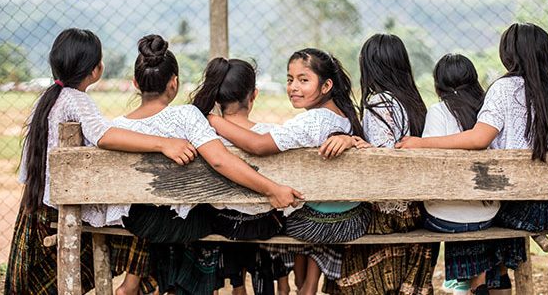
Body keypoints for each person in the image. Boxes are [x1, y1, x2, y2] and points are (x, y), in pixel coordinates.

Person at [80, 34, 303, 294]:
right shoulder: (187, 116)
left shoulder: (117, 127)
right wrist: (271, 189)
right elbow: (220, 161)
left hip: (139, 222)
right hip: (184, 224)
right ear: (174, 83)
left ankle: (140, 283)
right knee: (206, 216)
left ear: (135, 83)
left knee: (181, 222)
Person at [5, 28, 198, 295]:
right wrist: (163, 143)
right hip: (65, 206)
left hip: (41, 204)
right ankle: (134, 284)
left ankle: (131, 284)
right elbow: (103, 136)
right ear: (95, 69)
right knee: (140, 218)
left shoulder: (46, 99)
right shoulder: (77, 100)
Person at [397, 23, 548, 294]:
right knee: (490, 209)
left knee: (485, 206)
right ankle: (496, 282)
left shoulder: (504, 89)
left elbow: (479, 138)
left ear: (508, 55)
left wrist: (421, 143)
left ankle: (478, 285)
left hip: (516, 205)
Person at [208, 48, 370, 295]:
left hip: (318, 225)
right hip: (353, 219)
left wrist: (214, 121)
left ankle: (298, 285)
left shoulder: (312, 121)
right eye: (290, 79)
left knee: (274, 215)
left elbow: (258, 145)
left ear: (326, 86)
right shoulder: (345, 115)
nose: (294, 87)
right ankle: (305, 285)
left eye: (303, 80)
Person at [324, 33, 434, 295]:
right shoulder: (415, 103)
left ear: (369, 65)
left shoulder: (379, 101)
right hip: (418, 211)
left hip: (389, 215)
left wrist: (353, 142)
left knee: (338, 222)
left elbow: (383, 163)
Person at [191, 57, 290, 295]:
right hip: (262, 225)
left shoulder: (203, 134)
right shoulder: (272, 134)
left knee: (220, 215)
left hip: (222, 222)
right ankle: (273, 283)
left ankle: (237, 285)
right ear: (253, 95)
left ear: (216, 98)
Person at [421, 53, 500, 295]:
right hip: (488, 214)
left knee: (448, 212)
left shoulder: (438, 111)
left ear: (438, 84)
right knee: (471, 216)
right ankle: (477, 284)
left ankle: (462, 285)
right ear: (474, 80)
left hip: (442, 217)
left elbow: (429, 165)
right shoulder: (488, 111)